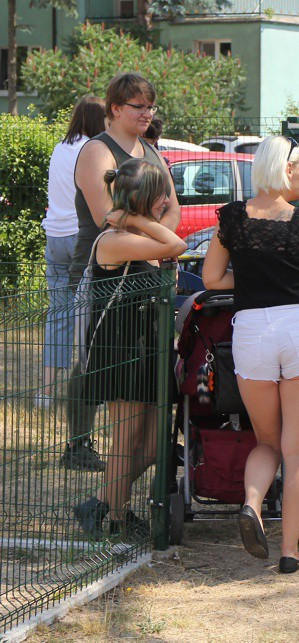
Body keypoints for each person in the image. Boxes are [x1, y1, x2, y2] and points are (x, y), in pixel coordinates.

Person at [203, 136, 299, 573]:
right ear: (287, 169)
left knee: (266, 441)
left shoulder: (233, 219)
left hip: (252, 331)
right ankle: (289, 552)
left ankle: (253, 503)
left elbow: (210, 277)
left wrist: (247, 282)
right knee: (297, 450)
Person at [63, 73, 180, 472]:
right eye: (139, 107)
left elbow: (173, 208)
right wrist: (156, 235)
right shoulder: (98, 151)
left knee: (147, 409)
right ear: (115, 108)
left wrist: (158, 238)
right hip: (107, 279)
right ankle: (80, 446)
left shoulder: (149, 148)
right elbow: (107, 218)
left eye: (151, 107)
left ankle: (111, 501)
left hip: (148, 280)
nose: (148, 113)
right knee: (106, 381)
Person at [73, 159, 187, 539]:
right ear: (145, 199)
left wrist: (133, 216)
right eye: (161, 196)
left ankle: (101, 503)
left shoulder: (136, 234)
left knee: (153, 444)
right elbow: (176, 243)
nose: (166, 203)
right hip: (121, 349)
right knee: (126, 441)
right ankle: (116, 515)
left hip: (148, 347)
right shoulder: (113, 239)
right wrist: (131, 218)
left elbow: (169, 241)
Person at [37, 96, 106, 412]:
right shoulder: (93, 151)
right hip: (80, 238)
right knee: (86, 318)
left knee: (59, 314)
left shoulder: (59, 147)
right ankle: (88, 391)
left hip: (54, 236)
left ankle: (46, 393)